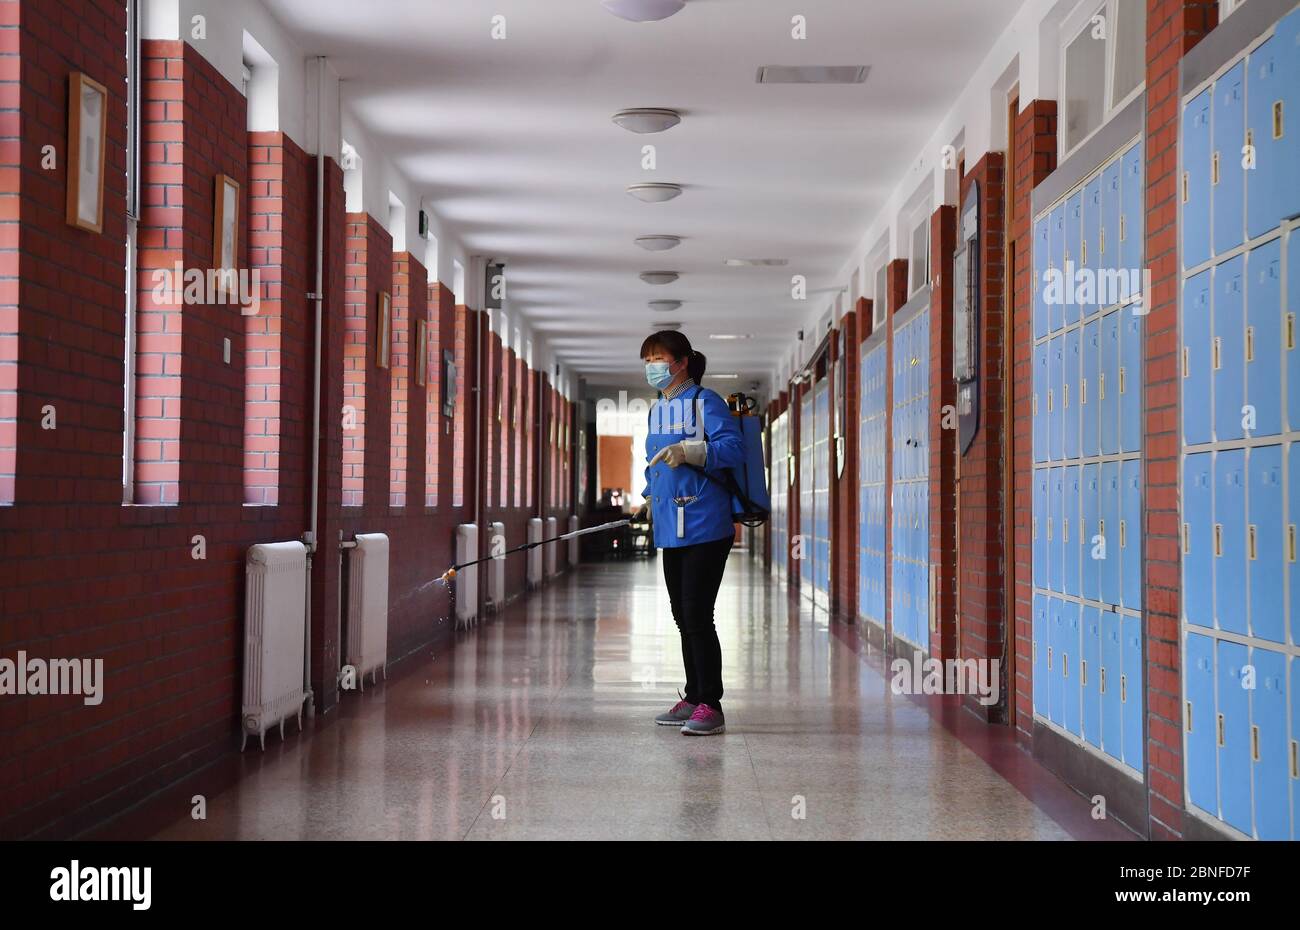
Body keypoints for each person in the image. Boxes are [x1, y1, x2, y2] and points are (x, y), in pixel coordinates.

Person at [636, 331, 745, 735]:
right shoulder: (657, 409)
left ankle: (711, 704)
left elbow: (733, 449)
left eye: (658, 358)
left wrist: (692, 451)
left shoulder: (705, 402)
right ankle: (694, 696)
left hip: (704, 523)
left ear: (681, 361)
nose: (652, 367)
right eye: (647, 360)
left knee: (698, 614)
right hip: (670, 523)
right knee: (683, 615)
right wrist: (649, 495)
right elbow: (656, 463)